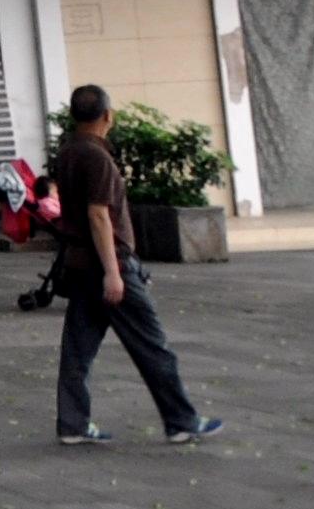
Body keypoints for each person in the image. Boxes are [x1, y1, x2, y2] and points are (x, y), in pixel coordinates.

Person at [49, 83, 224, 447]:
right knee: (151, 343)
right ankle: (181, 420)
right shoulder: (97, 158)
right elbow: (99, 216)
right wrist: (114, 272)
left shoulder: (67, 152)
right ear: (108, 116)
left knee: (78, 349)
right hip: (105, 264)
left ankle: (73, 423)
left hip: (79, 264)